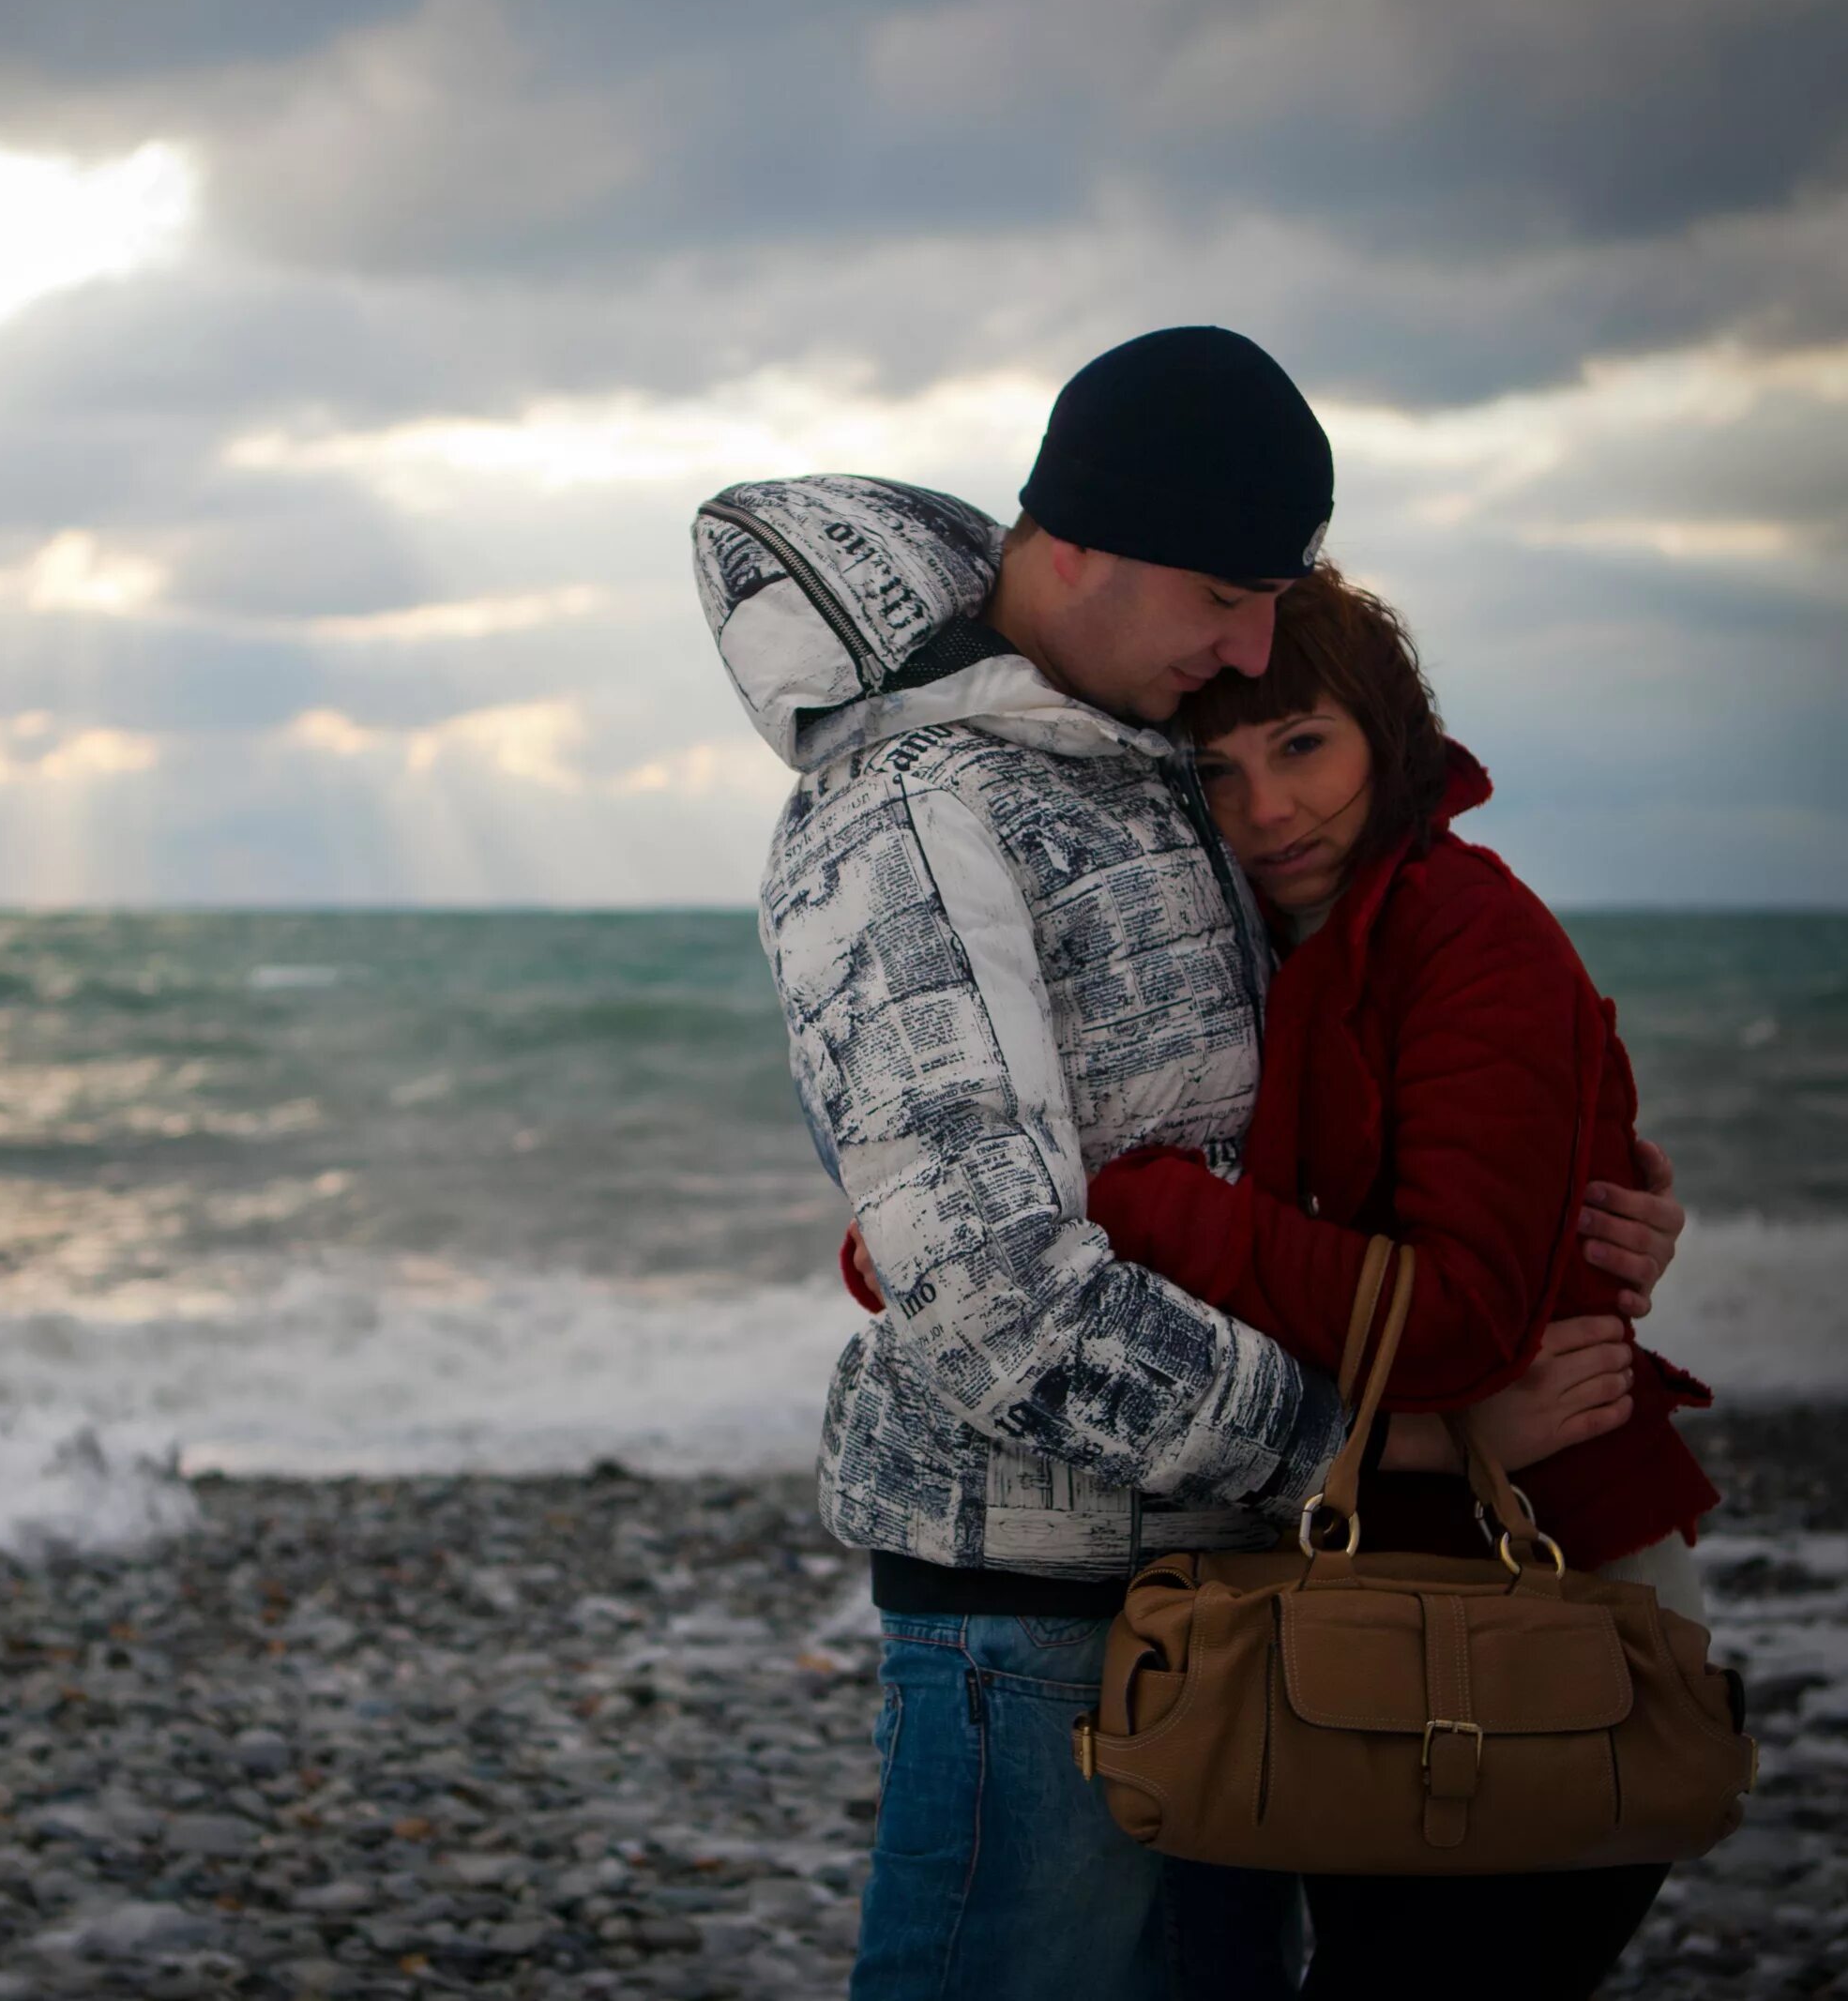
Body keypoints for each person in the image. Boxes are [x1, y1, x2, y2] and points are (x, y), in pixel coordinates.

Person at [691, 326, 1683, 2001]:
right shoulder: (916, 811)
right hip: (1036, 1611)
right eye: (1226, 593)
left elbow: (1284, 1110)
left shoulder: (1133, 755)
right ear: (1075, 546)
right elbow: (1004, 1303)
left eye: (1276, 599)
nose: (1256, 643)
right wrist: (1405, 1437)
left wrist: (1580, 1196)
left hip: (1234, 1594)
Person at [1076, 567, 1716, 1996]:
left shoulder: (1466, 930)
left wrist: (1149, 1212)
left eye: (1304, 746)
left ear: (1389, 732)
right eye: (1217, 772)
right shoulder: (1263, 946)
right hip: (1368, 1592)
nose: (1269, 813)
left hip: (1552, 1602)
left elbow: (1458, 1326)